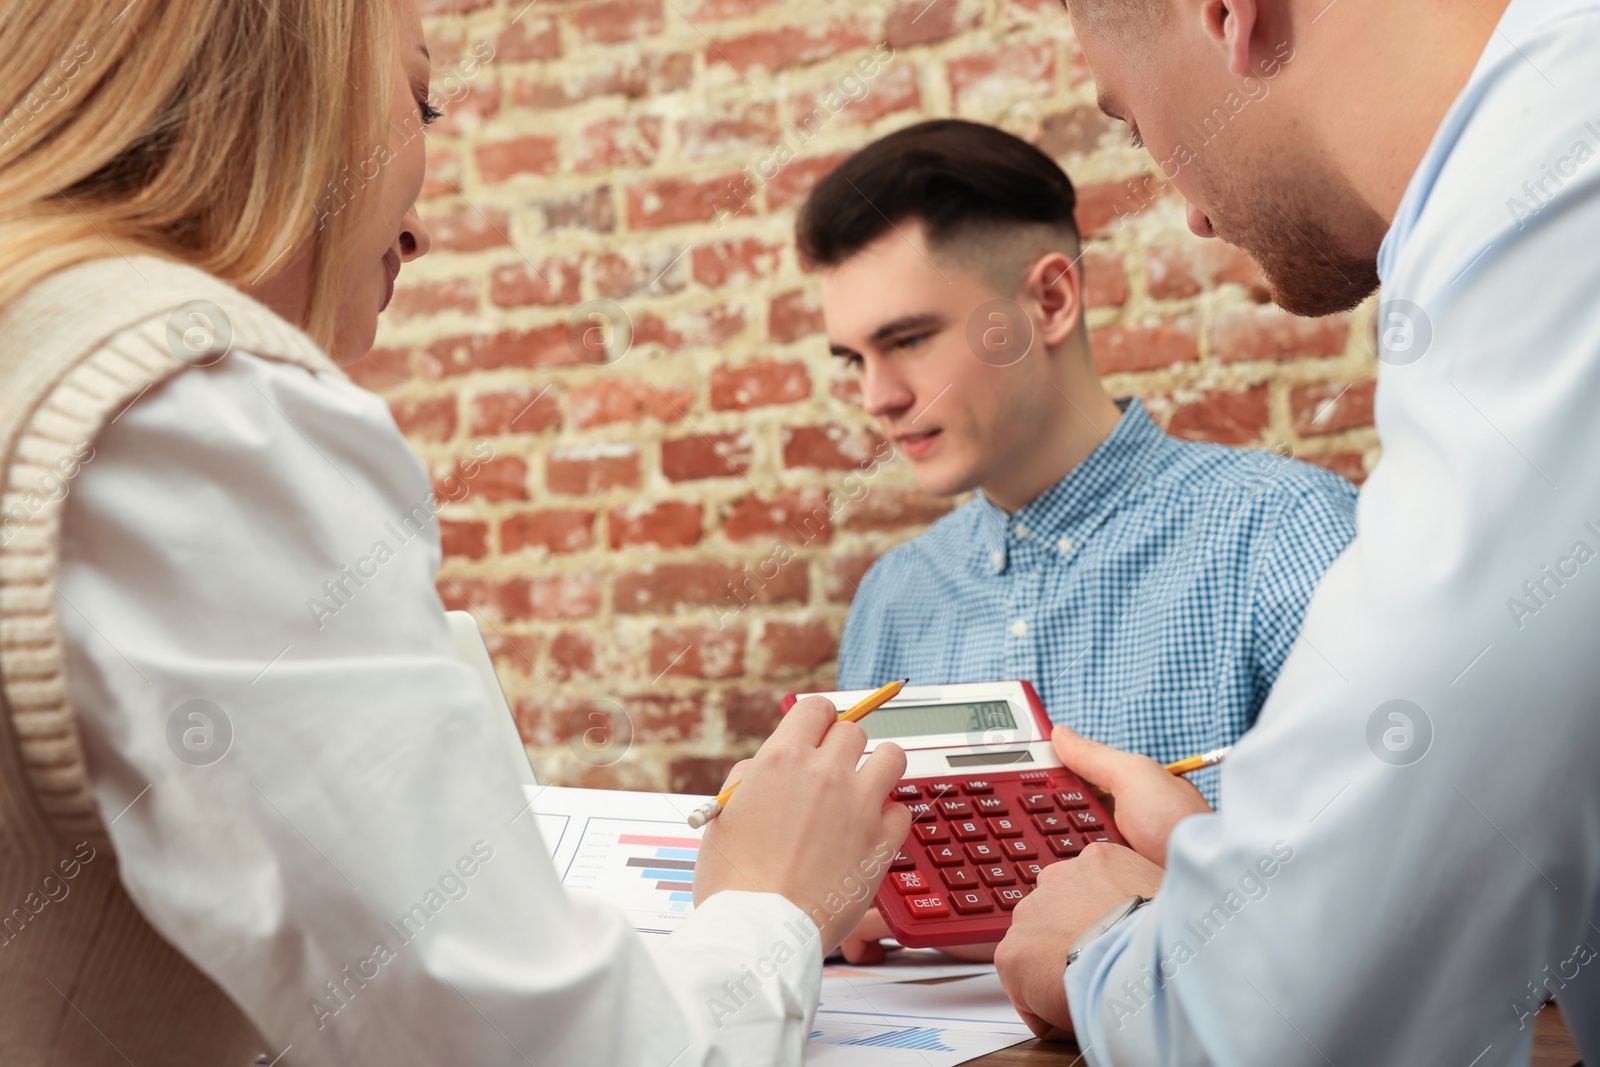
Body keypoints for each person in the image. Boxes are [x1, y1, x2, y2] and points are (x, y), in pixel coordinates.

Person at [0, 2, 909, 1065]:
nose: (420, 229)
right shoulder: (195, 415)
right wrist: (770, 904)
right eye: (420, 99)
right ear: (285, 88)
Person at [992, 1, 1600, 1063]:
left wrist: (1114, 946)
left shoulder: (1553, 200)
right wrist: (1245, 872)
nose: (1186, 211)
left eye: (1134, 124)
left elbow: (1283, 1027)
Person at [806, 120, 1358, 811]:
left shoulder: (1283, 536)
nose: (878, 398)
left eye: (910, 339)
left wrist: (1182, 881)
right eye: (855, 360)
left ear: (1050, 301)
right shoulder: (891, 602)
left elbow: (1395, 871)